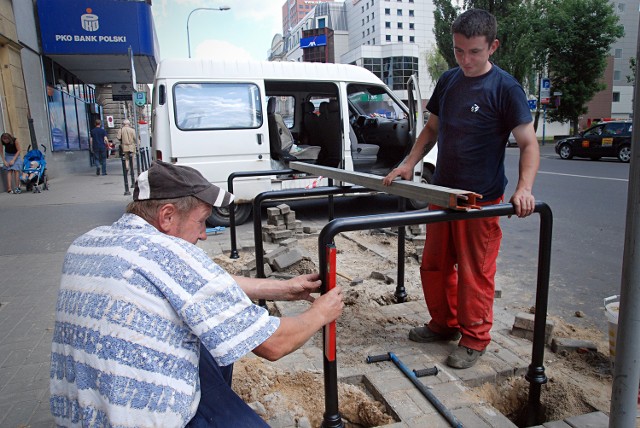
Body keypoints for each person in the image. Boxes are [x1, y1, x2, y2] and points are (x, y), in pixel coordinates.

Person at [50, 160, 344, 427]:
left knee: (212, 329)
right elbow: (274, 345)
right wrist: (320, 313)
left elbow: (200, 285)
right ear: (167, 216)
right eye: (201, 220)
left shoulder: (90, 241)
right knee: (218, 337)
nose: (204, 234)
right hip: (142, 417)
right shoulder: (168, 253)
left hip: (81, 413)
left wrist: (284, 288)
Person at [382, 8, 540, 369]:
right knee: (434, 265)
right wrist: (409, 162)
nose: (465, 60)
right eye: (458, 51)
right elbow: (431, 129)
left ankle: (475, 338)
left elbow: (529, 144)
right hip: (443, 193)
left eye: (474, 52)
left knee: (474, 272)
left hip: (480, 199)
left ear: (492, 47)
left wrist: (524, 188)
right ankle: (444, 324)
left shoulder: (505, 88)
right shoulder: (449, 81)